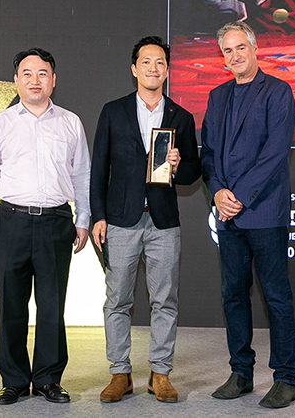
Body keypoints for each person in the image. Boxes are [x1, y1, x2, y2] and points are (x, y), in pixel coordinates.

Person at [0, 48, 90, 405]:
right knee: (11, 305)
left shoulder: (71, 122)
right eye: (27, 74)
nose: (35, 80)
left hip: (56, 222)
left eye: (42, 74)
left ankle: (49, 379)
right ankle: (14, 381)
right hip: (10, 223)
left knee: (52, 306)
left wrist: (82, 220)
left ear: (53, 80)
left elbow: (82, 176)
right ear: (16, 80)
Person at [90, 36, 201, 403]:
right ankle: (120, 373)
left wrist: (178, 165)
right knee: (117, 300)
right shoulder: (113, 111)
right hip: (121, 221)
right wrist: (99, 216)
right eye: (146, 62)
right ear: (134, 69)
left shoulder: (181, 117)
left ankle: (160, 373)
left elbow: (193, 172)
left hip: (163, 222)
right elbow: (98, 169)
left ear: (167, 71)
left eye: (160, 63)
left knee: (165, 300)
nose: (153, 68)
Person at [200, 21, 295, 408]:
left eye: (241, 47)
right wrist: (218, 192)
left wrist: (238, 196)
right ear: (222, 57)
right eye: (228, 50)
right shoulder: (217, 96)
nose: (235, 55)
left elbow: (276, 152)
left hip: (264, 212)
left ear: (255, 49)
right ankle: (241, 372)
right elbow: (209, 153)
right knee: (233, 295)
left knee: (276, 296)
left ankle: (285, 378)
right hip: (228, 215)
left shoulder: (278, 91)